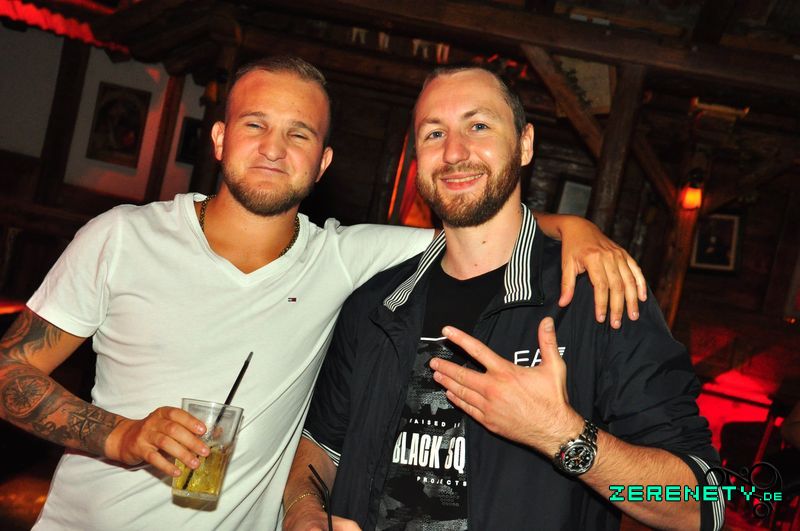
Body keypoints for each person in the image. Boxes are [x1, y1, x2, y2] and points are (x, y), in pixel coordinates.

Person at [0, 57, 645, 530]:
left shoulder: (345, 259)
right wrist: (120, 435)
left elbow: (477, 221)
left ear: (323, 161)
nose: (273, 149)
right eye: (254, 124)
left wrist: (575, 228)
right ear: (219, 138)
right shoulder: (122, 237)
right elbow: (8, 375)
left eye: (299, 133)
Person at [285, 66, 724, 531]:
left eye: (478, 125)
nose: (454, 152)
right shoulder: (375, 306)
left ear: (525, 144)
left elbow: (703, 504)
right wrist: (303, 511)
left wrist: (562, 435)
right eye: (434, 133)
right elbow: (321, 448)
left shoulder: (596, 297)